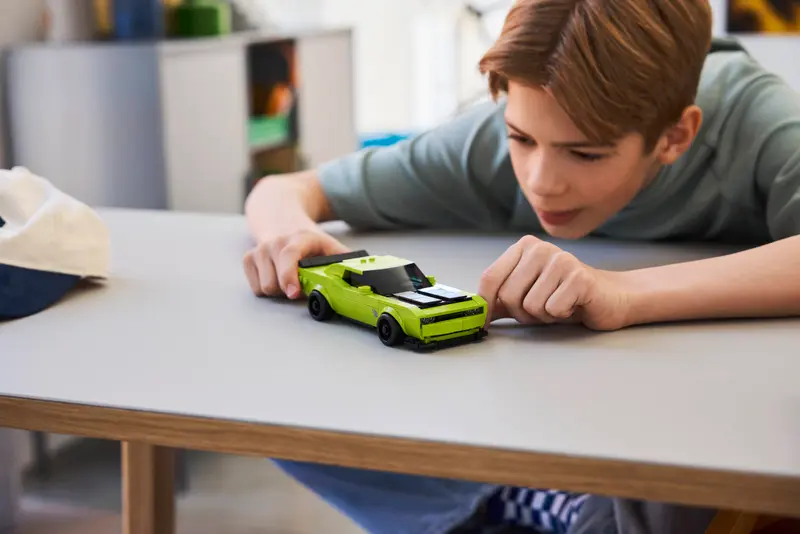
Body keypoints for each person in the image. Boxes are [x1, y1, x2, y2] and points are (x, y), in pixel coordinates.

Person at [242, 0, 800, 532]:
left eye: (584, 153)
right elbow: (285, 189)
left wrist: (623, 293)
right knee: (285, 413)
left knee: (687, 451)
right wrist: (289, 237)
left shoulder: (759, 120)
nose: (540, 181)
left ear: (675, 137)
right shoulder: (490, 138)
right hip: (540, 416)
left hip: (696, 402)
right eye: (521, 138)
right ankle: (516, 505)